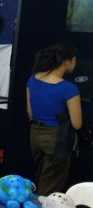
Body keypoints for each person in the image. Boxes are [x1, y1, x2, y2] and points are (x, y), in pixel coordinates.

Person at [26, 42, 82, 195]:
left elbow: (30, 112)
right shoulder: (68, 88)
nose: (75, 63)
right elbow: (77, 124)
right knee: (51, 186)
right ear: (66, 61)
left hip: (35, 134)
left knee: (39, 177)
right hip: (56, 138)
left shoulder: (33, 79)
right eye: (74, 59)